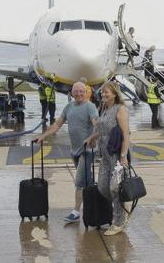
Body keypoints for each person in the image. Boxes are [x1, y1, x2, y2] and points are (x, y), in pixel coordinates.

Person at [33, 82, 98, 223]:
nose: (79, 94)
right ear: (71, 93)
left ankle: (76, 212)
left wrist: (93, 137)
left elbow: (96, 124)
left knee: (80, 181)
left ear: (85, 92)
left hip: (87, 150)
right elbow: (57, 125)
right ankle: (94, 204)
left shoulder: (90, 107)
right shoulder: (69, 107)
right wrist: (42, 136)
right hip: (74, 150)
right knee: (87, 180)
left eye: (81, 91)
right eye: (76, 91)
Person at [84, 82, 131, 236]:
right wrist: (92, 136)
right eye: (103, 93)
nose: (103, 95)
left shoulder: (120, 109)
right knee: (103, 187)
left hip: (117, 155)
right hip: (104, 155)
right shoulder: (104, 108)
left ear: (115, 94)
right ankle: (122, 208)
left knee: (115, 188)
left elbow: (125, 135)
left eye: (107, 93)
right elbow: (102, 130)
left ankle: (118, 222)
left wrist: (123, 156)